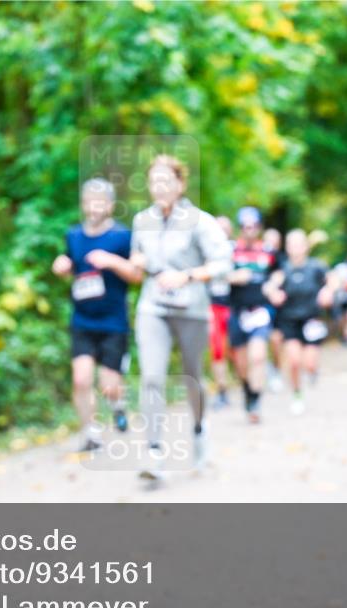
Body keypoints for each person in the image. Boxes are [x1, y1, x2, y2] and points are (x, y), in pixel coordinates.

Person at [129, 154, 231, 482]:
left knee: (192, 378)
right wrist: (136, 262)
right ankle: (154, 452)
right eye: (154, 181)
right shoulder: (142, 220)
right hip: (153, 307)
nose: (159, 187)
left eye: (166, 181)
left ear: (180, 184)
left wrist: (187, 275)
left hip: (191, 309)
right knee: (151, 377)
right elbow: (136, 260)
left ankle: (200, 432)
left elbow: (223, 263)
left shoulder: (200, 221)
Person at [52, 178, 140, 452]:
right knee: (81, 378)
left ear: (111, 205)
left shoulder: (122, 237)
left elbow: (137, 275)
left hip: (114, 321)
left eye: (100, 200)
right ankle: (91, 433)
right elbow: (71, 265)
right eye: (89, 200)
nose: (94, 206)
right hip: (83, 320)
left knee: (109, 384)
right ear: (83, 204)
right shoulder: (74, 236)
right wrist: (62, 265)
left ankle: (118, 405)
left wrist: (112, 261)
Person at [264, 230, 335, 416]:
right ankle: (297, 394)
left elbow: (334, 280)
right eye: (291, 244)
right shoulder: (283, 270)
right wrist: (273, 293)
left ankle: (312, 372)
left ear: (305, 247)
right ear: (287, 248)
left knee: (309, 364)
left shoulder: (317, 267)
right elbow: (269, 286)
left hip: (312, 320)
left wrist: (328, 291)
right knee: (294, 362)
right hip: (290, 321)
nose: (295, 248)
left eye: (298, 244)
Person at [227, 207, 278, 423]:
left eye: (254, 226)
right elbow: (217, 273)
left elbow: (279, 271)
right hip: (237, 311)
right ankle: (247, 389)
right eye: (246, 226)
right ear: (241, 228)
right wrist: (233, 276)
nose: (250, 230)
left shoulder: (267, 251)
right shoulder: (229, 250)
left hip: (260, 311)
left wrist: (274, 285)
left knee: (258, 356)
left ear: (259, 227)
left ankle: (256, 398)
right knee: (241, 363)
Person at [207, 215, 235, 409]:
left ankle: (247, 381)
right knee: (217, 350)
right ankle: (222, 390)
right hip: (213, 305)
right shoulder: (204, 250)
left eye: (225, 228)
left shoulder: (238, 250)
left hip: (236, 305)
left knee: (236, 348)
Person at [262, 227, 286, 393]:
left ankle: (276, 370)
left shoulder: (284, 260)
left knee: (276, 341)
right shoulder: (257, 257)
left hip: (279, 307)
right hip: (260, 305)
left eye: (274, 241)